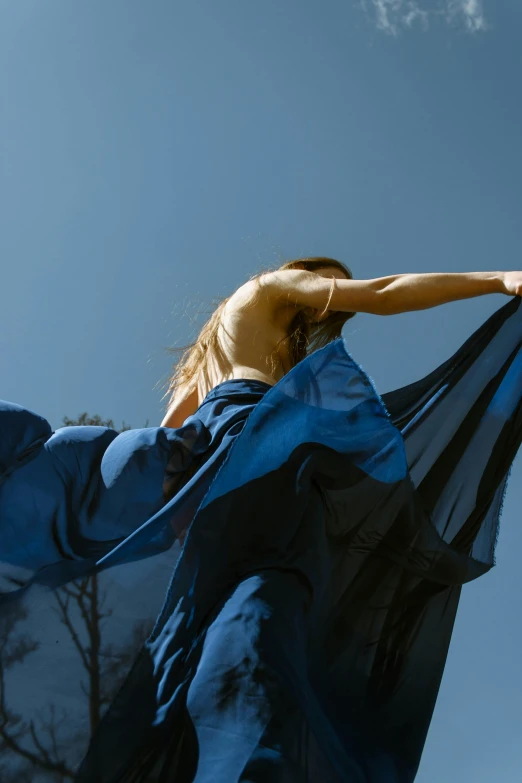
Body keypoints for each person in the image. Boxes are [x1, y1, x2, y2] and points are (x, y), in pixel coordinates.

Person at [1, 257, 521, 782]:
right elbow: (384, 292)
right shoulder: (268, 288)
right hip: (262, 447)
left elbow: (169, 447)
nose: (329, 298)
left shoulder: (207, 357)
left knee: (198, 627)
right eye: (327, 282)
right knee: (265, 599)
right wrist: (499, 281)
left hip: (213, 464)